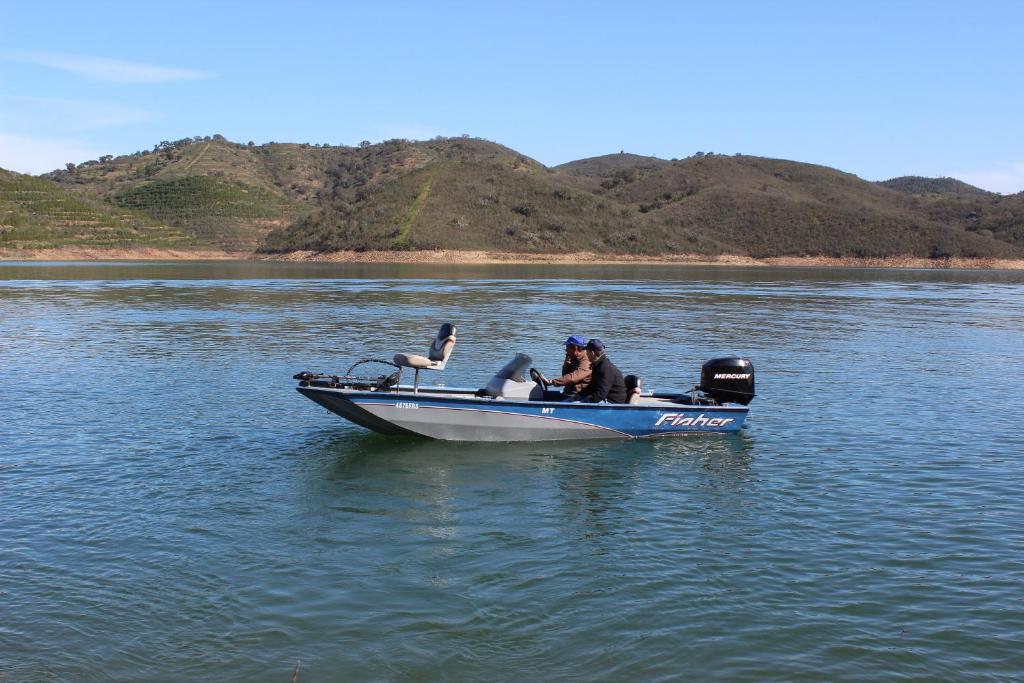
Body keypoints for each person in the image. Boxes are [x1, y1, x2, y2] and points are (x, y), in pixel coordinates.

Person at [578, 338, 627, 404]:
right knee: (574, 400)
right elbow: (591, 387)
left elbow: (601, 393)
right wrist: (579, 395)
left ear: (592, 353)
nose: (586, 355)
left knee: (576, 403)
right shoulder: (598, 365)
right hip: (604, 398)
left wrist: (583, 402)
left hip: (613, 403)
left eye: (587, 352)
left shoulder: (605, 368)